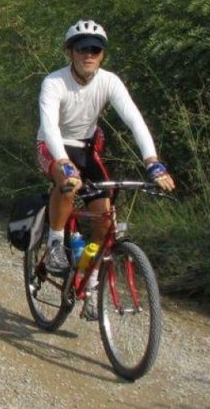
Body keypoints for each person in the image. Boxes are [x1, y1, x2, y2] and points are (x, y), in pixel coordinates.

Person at [37, 19, 175, 319]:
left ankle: (92, 281)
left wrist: (152, 162)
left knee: (104, 214)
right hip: (53, 144)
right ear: (70, 52)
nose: (89, 55)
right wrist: (64, 165)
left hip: (87, 147)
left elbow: (134, 119)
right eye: (83, 48)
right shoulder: (54, 82)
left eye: (96, 50)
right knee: (68, 183)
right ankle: (56, 242)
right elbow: (49, 126)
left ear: (102, 55)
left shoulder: (109, 81)